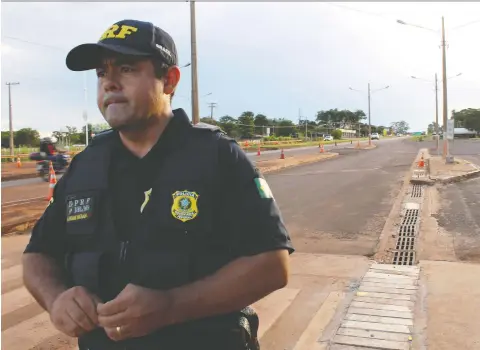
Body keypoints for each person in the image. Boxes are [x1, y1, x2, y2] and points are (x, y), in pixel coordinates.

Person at [22, 19, 294, 350]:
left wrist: (170, 306)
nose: (109, 83)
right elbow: (38, 254)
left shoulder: (217, 157)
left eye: (126, 69)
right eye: (101, 73)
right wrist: (56, 298)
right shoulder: (86, 164)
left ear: (169, 80)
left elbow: (272, 265)